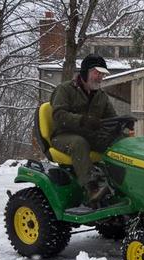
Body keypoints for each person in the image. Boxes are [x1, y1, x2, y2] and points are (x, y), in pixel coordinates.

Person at [50, 54, 117, 204]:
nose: (100, 77)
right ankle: (92, 188)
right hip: (64, 135)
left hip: (90, 135)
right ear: (85, 72)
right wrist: (83, 120)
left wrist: (123, 126)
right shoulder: (65, 90)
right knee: (79, 143)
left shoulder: (101, 96)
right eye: (97, 73)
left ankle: (123, 185)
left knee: (120, 143)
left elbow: (111, 119)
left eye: (102, 74)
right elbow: (59, 115)